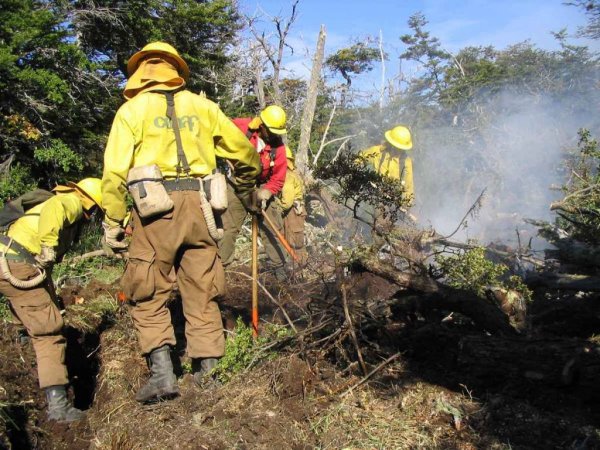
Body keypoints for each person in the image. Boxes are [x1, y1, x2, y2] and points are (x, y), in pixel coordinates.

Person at [101, 42, 260, 403]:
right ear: (176, 71)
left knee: (148, 287)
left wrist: (113, 221)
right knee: (203, 285)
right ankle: (209, 373)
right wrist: (245, 187)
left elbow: (112, 175)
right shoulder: (205, 107)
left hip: (155, 210)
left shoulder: (131, 110)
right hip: (204, 207)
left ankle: (162, 376)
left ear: (141, 72)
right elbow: (247, 156)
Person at [0, 178, 103, 422]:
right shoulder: (70, 202)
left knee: (30, 319)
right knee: (48, 331)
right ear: (92, 205)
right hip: (16, 264)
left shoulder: (56, 201)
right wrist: (48, 247)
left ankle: (25, 362)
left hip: (10, 260)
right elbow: (54, 213)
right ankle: (58, 407)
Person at [219, 106, 288, 275]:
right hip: (237, 184)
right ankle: (220, 271)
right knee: (227, 229)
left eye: (276, 132)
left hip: (261, 187)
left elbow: (278, 179)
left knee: (273, 229)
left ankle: (281, 272)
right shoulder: (241, 127)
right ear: (261, 125)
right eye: (270, 131)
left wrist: (265, 193)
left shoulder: (278, 148)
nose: (273, 135)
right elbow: (218, 127)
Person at [360, 125, 415, 207]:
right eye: (397, 147)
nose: (398, 150)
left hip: (392, 203)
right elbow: (358, 159)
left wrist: (406, 206)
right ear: (391, 143)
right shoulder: (378, 151)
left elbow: (408, 187)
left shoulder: (406, 162)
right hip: (373, 197)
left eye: (401, 148)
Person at [279, 147, 307, 267]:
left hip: (292, 212)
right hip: (293, 210)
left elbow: (287, 202)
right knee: (289, 239)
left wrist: (275, 208)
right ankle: (295, 266)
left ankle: (299, 267)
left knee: (295, 241)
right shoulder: (291, 174)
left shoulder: (288, 177)